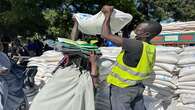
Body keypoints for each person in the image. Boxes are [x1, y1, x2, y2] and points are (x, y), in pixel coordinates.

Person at [98, 5, 162, 110]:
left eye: (139, 29)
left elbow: (105, 35)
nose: (136, 29)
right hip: (137, 87)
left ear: (146, 34)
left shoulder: (134, 45)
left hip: (122, 88)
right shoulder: (150, 48)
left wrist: (107, 14)